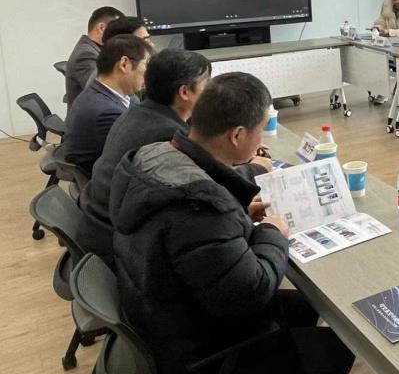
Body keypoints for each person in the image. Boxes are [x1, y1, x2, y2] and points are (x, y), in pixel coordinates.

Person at [109, 73, 354, 374]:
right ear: (237, 135)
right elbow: (251, 292)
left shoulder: (155, 155)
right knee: (339, 350)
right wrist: (272, 233)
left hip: (160, 314)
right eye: (260, 130)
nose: (262, 140)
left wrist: (238, 215)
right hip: (193, 357)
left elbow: (197, 241)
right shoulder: (201, 209)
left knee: (304, 306)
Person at [79, 49, 273, 242]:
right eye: (207, 83)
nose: (213, 91)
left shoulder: (139, 112)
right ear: (184, 92)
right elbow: (203, 185)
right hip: (117, 238)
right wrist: (254, 168)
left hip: (106, 223)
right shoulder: (165, 134)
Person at [63, 35, 152, 175]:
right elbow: (140, 159)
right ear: (124, 64)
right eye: (146, 64)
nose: (149, 72)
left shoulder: (97, 92)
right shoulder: (107, 112)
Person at [65, 5, 124, 107]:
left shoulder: (94, 49)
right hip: (96, 115)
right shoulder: (86, 55)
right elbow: (106, 92)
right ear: (101, 28)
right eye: (118, 31)